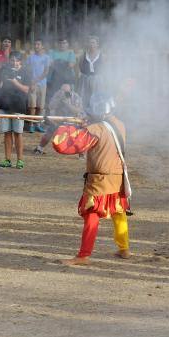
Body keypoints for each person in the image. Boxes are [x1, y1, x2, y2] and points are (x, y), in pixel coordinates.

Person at [52, 93, 131, 266]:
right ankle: (124, 249)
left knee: (91, 214)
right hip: (117, 177)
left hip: (100, 179)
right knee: (118, 212)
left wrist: (66, 128)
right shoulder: (120, 124)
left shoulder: (96, 129)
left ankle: (83, 256)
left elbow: (66, 145)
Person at [0, 52, 30, 169]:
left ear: (20, 61)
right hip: (5, 105)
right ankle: (7, 159)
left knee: (18, 133)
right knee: (7, 133)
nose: (14, 62)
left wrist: (15, 82)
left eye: (17, 60)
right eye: (12, 60)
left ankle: (20, 160)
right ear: (9, 60)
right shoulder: (4, 70)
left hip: (18, 106)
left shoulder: (25, 72)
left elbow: (26, 90)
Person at [34, 83, 83, 155]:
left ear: (70, 90)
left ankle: (81, 153)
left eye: (66, 92)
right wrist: (59, 99)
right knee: (49, 131)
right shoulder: (58, 95)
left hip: (72, 120)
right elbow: (51, 106)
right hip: (59, 120)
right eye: (62, 90)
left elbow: (78, 111)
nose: (65, 93)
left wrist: (68, 104)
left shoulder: (76, 97)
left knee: (79, 135)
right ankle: (40, 148)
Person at [26, 39, 52, 133]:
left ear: (42, 46)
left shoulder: (46, 58)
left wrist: (36, 80)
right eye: (35, 44)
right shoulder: (30, 57)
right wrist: (31, 82)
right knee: (32, 105)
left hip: (42, 84)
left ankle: (38, 124)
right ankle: (31, 125)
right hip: (32, 84)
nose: (36, 46)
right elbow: (27, 70)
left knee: (40, 106)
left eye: (38, 44)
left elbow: (46, 72)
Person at [48, 37, 77, 102]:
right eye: (60, 43)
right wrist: (64, 63)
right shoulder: (52, 52)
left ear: (68, 44)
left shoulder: (70, 53)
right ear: (57, 44)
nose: (62, 45)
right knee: (54, 98)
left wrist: (57, 62)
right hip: (55, 79)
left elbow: (71, 65)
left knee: (68, 98)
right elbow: (50, 64)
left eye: (64, 43)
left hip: (67, 79)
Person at [78, 36, 103, 108]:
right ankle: (84, 113)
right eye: (90, 43)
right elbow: (79, 65)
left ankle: (95, 113)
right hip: (85, 78)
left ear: (97, 44)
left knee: (95, 96)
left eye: (93, 42)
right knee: (84, 96)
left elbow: (104, 67)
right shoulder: (84, 54)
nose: (91, 44)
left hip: (97, 79)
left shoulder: (101, 55)